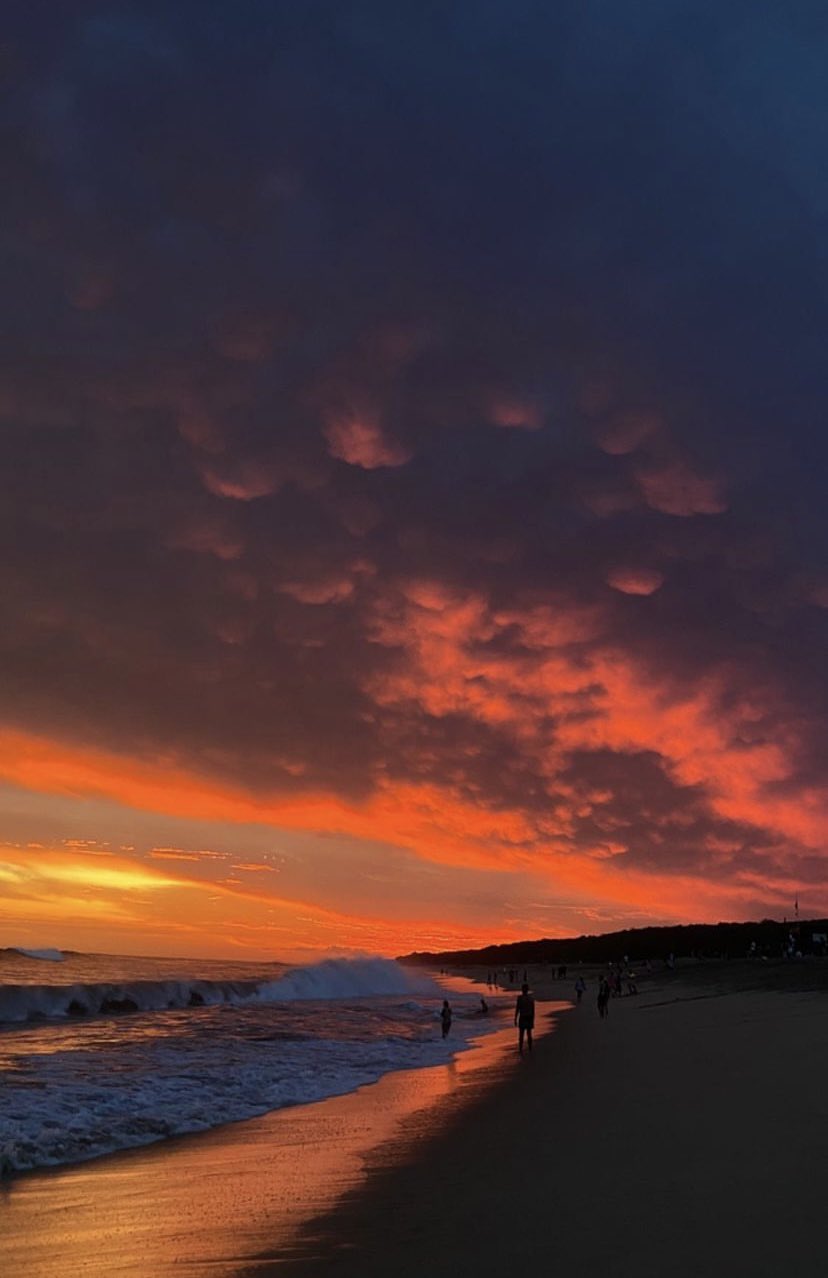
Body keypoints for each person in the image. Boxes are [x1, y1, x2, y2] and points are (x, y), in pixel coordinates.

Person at [514, 982, 535, 1054]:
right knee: (529, 1034)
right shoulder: (531, 998)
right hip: (529, 1017)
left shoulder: (520, 998)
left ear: (522, 990)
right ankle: (530, 1049)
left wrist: (515, 1018)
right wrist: (533, 1020)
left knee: (521, 1034)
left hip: (523, 1017)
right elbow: (533, 1010)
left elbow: (517, 1009)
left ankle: (520, 1049)